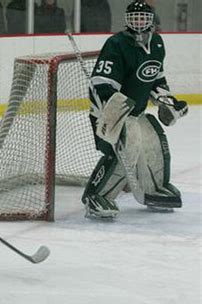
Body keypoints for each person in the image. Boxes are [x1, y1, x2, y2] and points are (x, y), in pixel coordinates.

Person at [81, 1, 189, 219]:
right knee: (127, 147)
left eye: (143, 17)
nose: (139, 22)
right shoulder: (116, 44)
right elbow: (102, 83)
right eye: (135, 17)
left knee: (154, 141)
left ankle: (154, 188)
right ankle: (97, 195)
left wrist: (167, 101)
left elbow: (156, 78)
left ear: (150, 21)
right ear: (128, 20)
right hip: (110, 115)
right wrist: (114, 109)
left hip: (136, 114)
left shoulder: (157, 43)